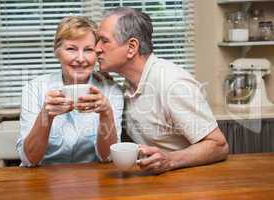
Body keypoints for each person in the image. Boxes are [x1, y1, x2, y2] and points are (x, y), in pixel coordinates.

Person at [95, 7, 229, 174]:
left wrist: (170, 160)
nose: (97, 48)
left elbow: (218, 145)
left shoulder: (172, 83)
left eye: (104, 41)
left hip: (191, 182)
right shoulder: (128, 85)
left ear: (131, 47)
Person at [17, 16, 123, 166]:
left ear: (97, 53)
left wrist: (106, 114)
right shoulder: (35, 89)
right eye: (71, 49)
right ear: (57, 52)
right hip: (42, 179)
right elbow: (29, 160)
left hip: (92, 180)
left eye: (88, 50)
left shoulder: (112, 91)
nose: (80, 59)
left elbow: (107, 158)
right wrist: (45, 117)